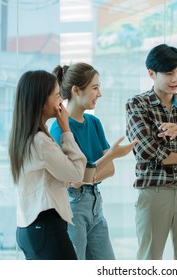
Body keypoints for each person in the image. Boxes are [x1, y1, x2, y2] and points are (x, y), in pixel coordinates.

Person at [125, 44, 177, 260]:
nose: (176, 79)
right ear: (151, 74)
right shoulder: (138, 104)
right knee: (150, 260)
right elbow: (148, 151)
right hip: (155, 192)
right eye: (169, 73)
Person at [50, 62, 138, 260]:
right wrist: (110, 156)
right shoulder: (59, 129)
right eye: (95, 88)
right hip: (73, 206)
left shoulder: (94, 123)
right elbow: (74, 180)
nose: (100, 94)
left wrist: (91, 172)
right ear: (76, 90)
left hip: (96, 204)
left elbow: (110, 170)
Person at [9, 70, 87, 260]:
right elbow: (76, 173)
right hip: (46, 226)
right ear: (41, 100)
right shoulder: (40, 141)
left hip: (27, 228)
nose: (61, 102)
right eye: (58, 95)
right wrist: (66, 129)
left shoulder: (22, 137)